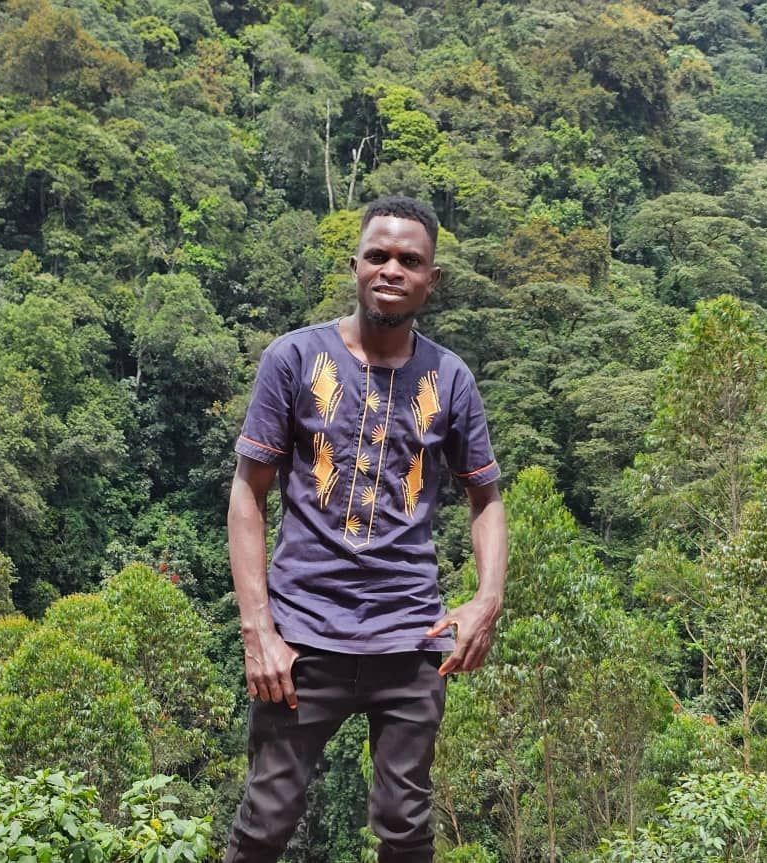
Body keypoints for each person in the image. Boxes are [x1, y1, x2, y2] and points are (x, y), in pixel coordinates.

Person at [225, 195, 508, 863]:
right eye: (377, 255)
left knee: (406, 827)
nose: (391, 269)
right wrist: (257, 629)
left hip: (409, 639)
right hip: (301, 637)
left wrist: (486, 600)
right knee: (265, 819)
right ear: (354, 265)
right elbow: (247, 493)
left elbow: (486, 499)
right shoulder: (293, 359)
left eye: (409, 260)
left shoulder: (450, 377)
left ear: (431, 280)